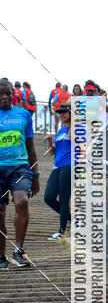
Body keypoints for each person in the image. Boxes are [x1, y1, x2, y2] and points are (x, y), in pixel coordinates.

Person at [0, 78, 39, 268]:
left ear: (13, 94)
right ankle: (1, 256)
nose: (4, 97)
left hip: (20, 167)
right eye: (1, 94)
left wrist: (36, 174)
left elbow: (31, 146)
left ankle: (19, 250)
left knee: (22, 201)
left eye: (8, 93)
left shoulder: (24, 114)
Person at [44, 103, 71, 240]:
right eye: (60, 113)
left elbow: (74, 139)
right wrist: (50, 141)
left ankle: (61, 231)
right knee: (48, 197)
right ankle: (75, 220)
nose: (62, 115)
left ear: (71, 113)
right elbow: (52, 152)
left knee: (64, 199)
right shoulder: (61, 130)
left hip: (70, 164)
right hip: (57, 165)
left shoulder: (77, 128)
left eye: (65, 112)